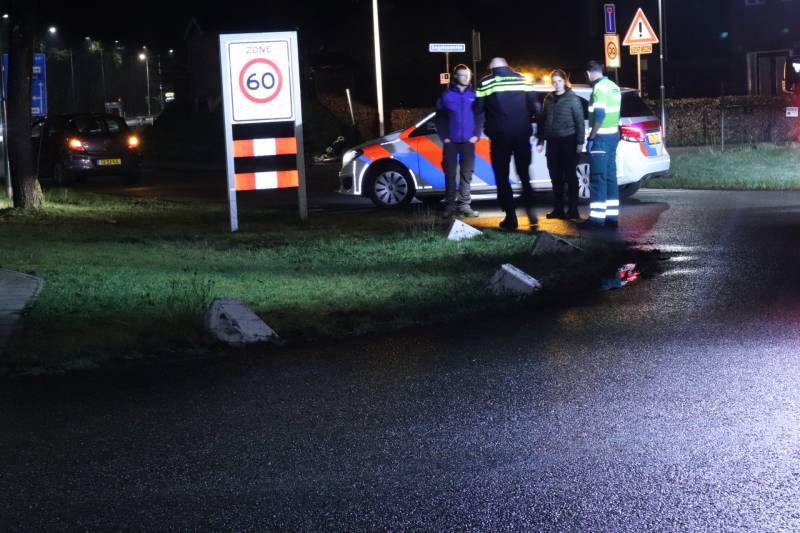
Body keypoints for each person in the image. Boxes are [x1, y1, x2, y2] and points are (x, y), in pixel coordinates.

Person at [474, 57, 539, 230]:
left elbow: (478, 109)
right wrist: (539, 131)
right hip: (522, 134)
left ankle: (511, 217)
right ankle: (531, 213)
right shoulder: (523, 79)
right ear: (507, 66)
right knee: (524, 175)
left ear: (492, 68)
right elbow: (535, 106)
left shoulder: (485, 83)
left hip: (499, 136)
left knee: (502, 177)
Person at [434, 64, 484, 218]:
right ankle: (449, 206)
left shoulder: (475, 94)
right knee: (450, 174)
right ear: (456, 76)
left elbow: (480, 115)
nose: (466, 77)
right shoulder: (447, 95)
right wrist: (445, 137)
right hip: (451, 142)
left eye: (467, 75)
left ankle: (464, 205)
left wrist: (476, 134)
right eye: (462, 75)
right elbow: (439, 117)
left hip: (469, 141)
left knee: (466, 174)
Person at [578, 60, 622, 229]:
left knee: (597, 178)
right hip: (613, 137)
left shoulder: (598, 89)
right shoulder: (613, 86)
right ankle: (612, 218)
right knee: (610, 178)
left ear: (589, 73)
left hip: (601, 139)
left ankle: (596, 220)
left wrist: (591, 138)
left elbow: (600, 116)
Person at [536, 69, 585, 220]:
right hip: (552, 142)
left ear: (565, 81)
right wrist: (541, 140)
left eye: (559, 81)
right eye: (554, 82)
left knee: (570, 176)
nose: (556, 84)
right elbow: (543, 121)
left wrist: (579, 142)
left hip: (568, 141)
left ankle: (573, 209)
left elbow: (579, 122)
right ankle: (558, 209)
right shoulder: (548, 99)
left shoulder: (572, 99)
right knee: (555, 177)